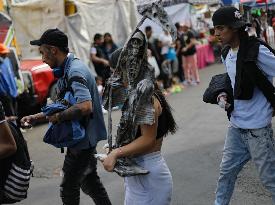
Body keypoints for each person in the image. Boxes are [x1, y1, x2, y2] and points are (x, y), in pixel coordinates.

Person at [21, 28, 112, 205]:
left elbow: (85, 106)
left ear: (54, 50)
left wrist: (60, 117)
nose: (42, 59)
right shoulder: (68, 67)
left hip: (83, 140)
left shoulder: (74, 71)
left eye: (43, 53)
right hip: (83, 138)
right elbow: (62, 104)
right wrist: (36, 117)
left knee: (69, 187)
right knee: (89, 182)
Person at [212, 6, 275, 205]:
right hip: (237, 127)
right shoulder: (226, 53)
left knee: (270, 180)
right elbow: (232, 82)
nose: (216, 33)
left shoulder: (257, 50)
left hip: (258, 130)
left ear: (234, 27)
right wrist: (222, 95)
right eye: (215, 29)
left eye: (221, 28)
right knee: (225, 175)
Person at [102, 45, 177, 204]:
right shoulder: (137, 94)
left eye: (114, 71)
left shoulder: (145, 98)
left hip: (150, 175)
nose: (113, 76)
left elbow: (147, 140)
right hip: (138, 176)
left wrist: (116, 153)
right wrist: (115, 149)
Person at [0, 44, 18, 117]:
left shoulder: (7, 61)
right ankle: (13, 127)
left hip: (13, 91)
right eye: (4, 53)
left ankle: (18, 127)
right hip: (5, 94)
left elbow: (11, 75)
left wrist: (16, 86)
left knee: (15, 111)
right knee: (10, 114)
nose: (6, 54)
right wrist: (3, 93)